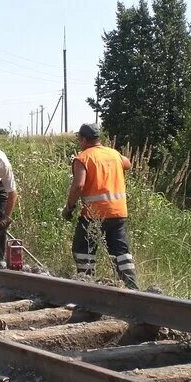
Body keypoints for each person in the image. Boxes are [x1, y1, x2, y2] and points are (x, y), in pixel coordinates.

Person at [61, 123, 139, 289]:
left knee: (83, 250)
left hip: (94, 214)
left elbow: (78, 186)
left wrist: (69, 208)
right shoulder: (114, 154)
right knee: (121, 253)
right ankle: (132, 288)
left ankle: (86, 285)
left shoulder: (82, 158)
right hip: (118, 213)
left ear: (83, 139)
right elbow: (128, 163)